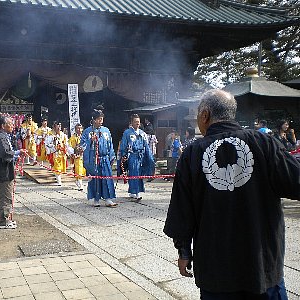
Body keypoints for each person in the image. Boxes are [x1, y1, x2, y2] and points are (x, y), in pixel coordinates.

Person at [164, 89, 300, 299]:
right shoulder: (264, 143)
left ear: (205, 115)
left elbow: (182, 210)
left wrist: (184, 252)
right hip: (262, 265)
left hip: (216, 270)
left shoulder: (193, 153)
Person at [80, 107, 117, 207]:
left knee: (107, 178)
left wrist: (112, 156)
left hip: (105, 158)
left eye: (102, 119)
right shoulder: (87, 132)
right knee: (95, 179)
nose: (101, 121)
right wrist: (90, 141)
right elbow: (82, 146)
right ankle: (95, 199)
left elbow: (110, 145)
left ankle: (108, 199)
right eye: (99, 119)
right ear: (94, 120)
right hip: (94, 159)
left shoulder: (106, 130)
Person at [0, 116, 26, 229]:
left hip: (6, 171)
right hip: (4, 172)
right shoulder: (1, 138)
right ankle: (4, 220)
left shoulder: (4, 137)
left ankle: (6, 218)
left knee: (7, 196)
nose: (12, 126)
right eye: (10, 124)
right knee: (6, 197)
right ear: (3, 125)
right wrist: (17, 153)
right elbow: (5, 154)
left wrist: (17, 153)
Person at [119, 114, 155, 200]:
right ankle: (135, 192)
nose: (137, 123)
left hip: (141, 156)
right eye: (135, 122)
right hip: (132, 155)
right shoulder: (127, 132)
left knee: (139, 174)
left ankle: (134, 191)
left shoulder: (142, 133)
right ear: (131, 122)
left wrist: (149, 157)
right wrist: (123, 155)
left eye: (138, 122)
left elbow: (146, 145)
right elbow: (124, 144)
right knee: (133, 173)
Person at [45, 121, 69, 186]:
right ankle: (59, 181)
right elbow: (47, 144)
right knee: (57, 167)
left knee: (60, 167)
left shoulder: (63, 135)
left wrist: (66, 150)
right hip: (55, 153)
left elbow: (66, 144)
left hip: (62, 153)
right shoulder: (50, 135)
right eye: (57, 126)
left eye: (60, 126)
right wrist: (54, 148)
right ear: (54, 127)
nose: (59, 127)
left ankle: (57, 177)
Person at [68, 123, 86, 191]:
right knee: (78, 169)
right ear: (75, 130)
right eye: (77, 128)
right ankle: (80, 185)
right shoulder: (72, 137)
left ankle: (77, 180)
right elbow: (69, 146)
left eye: (80, 128)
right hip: (77, 156)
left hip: (84, 155)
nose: (79, 130)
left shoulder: (84, 137)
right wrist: (73, 153)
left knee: (83, 170)